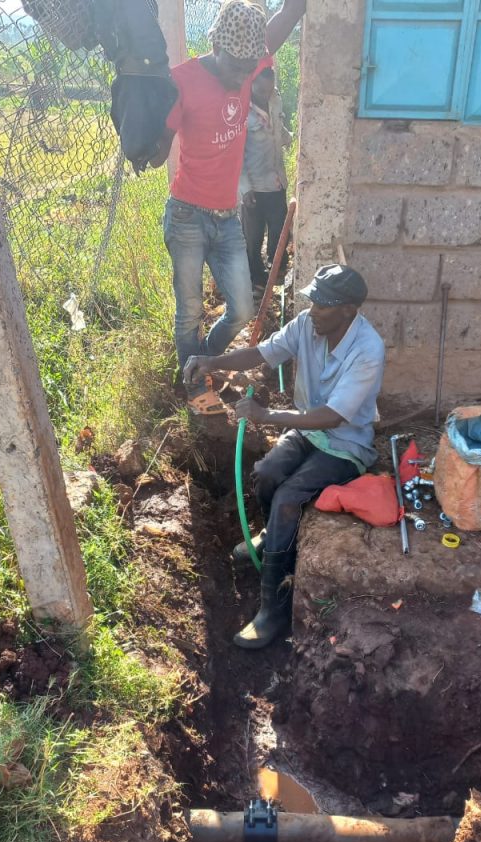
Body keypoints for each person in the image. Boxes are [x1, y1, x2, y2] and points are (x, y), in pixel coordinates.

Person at [183, 264, 386, 649]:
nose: (313, 310)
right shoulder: (308, 326)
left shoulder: (368, 349)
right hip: (308, 431)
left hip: (346, 442)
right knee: (268, 472)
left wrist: (266, 415)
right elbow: (262, 352)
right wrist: (213, 361)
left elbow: (334, 416)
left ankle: (273, 609)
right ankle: (269, 538)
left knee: (291, 498)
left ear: (348, 310)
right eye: (312, 301)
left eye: (323, 304)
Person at [151, 0, 307, 416]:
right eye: (236, 66)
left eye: (249, 67)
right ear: (215, 45)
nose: (242, 76)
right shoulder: (180, 81)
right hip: (186, 214)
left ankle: (202, 362)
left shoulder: (249, 61)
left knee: (240, 308)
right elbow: (156, 147)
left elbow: (288, 15)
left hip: (227, 215)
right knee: (189, 312)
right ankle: (196, 386)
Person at [240, 66, 292, 295]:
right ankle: (256, 280)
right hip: (254, 184)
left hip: (276, 180)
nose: (266, 94)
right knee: (253, 236)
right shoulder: (240, 109)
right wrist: (244, 188)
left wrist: (286, 136)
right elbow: (235, 152)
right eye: (262, 90)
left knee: (280, 230)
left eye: (270, 89)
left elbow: (276, 126)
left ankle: (277, 269)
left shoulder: (275, 97)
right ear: (251, 84)